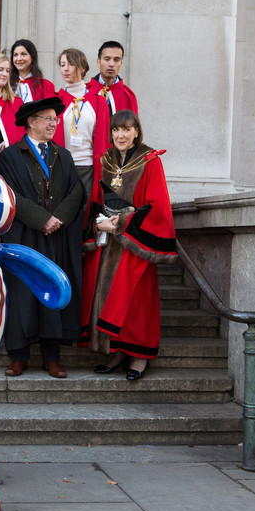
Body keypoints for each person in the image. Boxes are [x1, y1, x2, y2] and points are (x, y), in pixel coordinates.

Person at [80, 110, 176, 381]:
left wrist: (122, 223)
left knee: (135, 302)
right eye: (116, 130)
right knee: (111, 298)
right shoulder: (105, 161)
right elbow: (96, 200)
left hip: (135, 243)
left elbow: (156, 206)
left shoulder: (150, 161)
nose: (120, 135)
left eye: (126, 129)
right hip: (109, 241)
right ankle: (118, 351)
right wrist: (98, 223)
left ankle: (139, 357)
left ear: (136, 131)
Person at [0, 97, 85, 379]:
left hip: (56, 238)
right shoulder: (10, 156)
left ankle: (52, 356)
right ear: (31, 122)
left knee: (52, 291)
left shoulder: (63, 155)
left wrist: (57, 218)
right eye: (48, 119)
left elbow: (77, 191)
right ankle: (18, 356)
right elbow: (9, 194)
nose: (53, 124)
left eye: (55, 120)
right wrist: (41, 219)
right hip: (24, 236)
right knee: (21, 292)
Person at [55, 48, 110, 199]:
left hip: (88, 167)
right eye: (62, 64)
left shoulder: (98, 101)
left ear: (82, 67)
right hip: (61, 167)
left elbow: (104, 138)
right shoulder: (56, 100)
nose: (65, 69)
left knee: (86, 213)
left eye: (70, 64)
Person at [85, 41, 138, 116]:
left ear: (121, 64)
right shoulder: (85, 92)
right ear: (98, 62)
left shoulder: (128, 96)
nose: (111, 64)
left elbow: (133, 126)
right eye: (107, 59)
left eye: (116, 60)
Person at [9, 39, 57, 103]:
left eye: (23, 54)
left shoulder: (46, 86)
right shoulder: (6, 85)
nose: (19, 58)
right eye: (15, 55)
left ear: (32, 56)